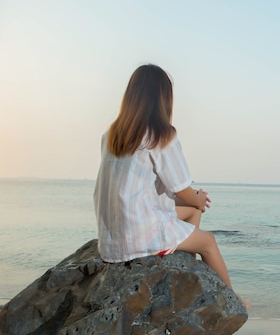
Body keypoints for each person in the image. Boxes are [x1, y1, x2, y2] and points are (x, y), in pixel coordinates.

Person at [93, 64, 242, 302]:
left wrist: (194, 201)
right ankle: (232, 298)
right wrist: (199, 197)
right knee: (208, 242)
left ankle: (184, 270)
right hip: (140, 236)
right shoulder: (160, 135)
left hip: (112, 239)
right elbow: (182, 191)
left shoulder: (111, 134)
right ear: (163, 99)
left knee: (192, 210)